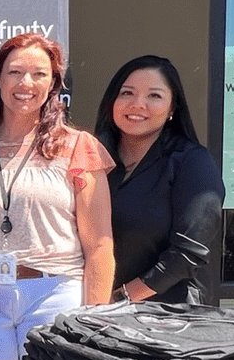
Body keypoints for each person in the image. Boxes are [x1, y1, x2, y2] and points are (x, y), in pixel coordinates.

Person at [0, 33, 114, 360]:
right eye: (15, 72)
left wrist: (95, 320)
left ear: (53, 82)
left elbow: (100, 244)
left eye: (40, 74)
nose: (26, 83)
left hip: (54, 294)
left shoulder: (77, 146)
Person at [94, 55, 225, 304]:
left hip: (169, 321)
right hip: (98, 317)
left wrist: (120, 298)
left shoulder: (192, 162)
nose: (137, 104)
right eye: (127, 93)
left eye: (154, 96)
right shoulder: (91, 160)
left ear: (172, 109)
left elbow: (188, 254)